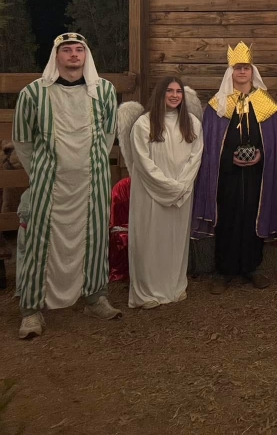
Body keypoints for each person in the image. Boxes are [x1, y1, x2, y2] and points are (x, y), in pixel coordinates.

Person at [12, 32, 121, 340]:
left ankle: (95, 296)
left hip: (93, 182)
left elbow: (108, 134)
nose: (74, 55)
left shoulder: (105, 91)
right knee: (39, 240)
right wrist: (44, 172)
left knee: (96, 236)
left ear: (86, 55)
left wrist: (90, 163)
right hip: (50, 184)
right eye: (67, 50)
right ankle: (32, 309)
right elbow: (22, 141)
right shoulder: (33, 94)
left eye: (79, 50)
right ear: (56, 56)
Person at [192, 42, 277, 293]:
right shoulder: (217, 105)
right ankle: (224, 271)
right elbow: (209, 145)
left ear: (252, 71)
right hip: (227, 175)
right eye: (237, 68)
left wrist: (261, 155)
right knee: (228, 217)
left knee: (252, 216)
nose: (242, 72)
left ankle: (252, 268)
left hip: (256, 175)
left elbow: (274, 141)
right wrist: (227, 160)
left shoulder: (266, 103)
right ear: (230, 71)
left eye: (246, 68)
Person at [123, 77, 204, 309]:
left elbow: (195, 157)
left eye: (178, 91)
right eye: (169, 91)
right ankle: (147, 292)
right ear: (160, 94)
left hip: (181, 194)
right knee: (150, 241)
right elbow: (143, 162)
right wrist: (168, 186)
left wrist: (181, 186)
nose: (175, 95)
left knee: (174, 241)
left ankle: (174, 286)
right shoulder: (143, 124)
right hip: (151, 193)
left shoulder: (192, 124)